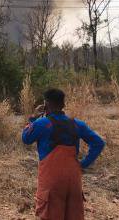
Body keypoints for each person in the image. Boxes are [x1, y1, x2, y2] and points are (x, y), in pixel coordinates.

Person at [22, 88, 105, 220]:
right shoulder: (77, 124)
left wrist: (33, 118)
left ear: (46, 104)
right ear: (63, 104)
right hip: (73, 179)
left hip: (52, 180)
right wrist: (83, 164)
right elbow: (99, 143)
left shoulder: (42, 123)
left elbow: (26, 139)